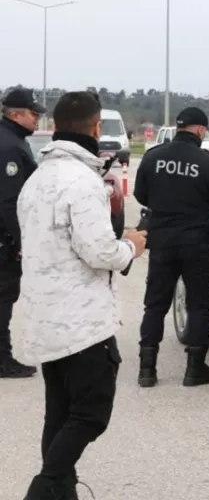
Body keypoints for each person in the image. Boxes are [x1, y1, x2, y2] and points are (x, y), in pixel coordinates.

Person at [18, 91, 147, 499]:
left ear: (54, 127)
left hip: (46, 316)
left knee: (59, 414)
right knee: (91, 412)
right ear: (95, 128)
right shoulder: (82, 182)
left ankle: (62, 489)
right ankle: (47, 487)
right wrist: (132, 245)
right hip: (82, 323)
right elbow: (100, 252)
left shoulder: (37, 180)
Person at [134, 107, 209, 389]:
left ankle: (147, 370)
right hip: (196, 244)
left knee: (155, 305)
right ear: (199, 130)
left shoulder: (152, 157)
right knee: (199, 305)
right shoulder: (207, 163)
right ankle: (195, 370)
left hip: (162, 243)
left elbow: (140, 195)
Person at [0, 87, 45, 379]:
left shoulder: (13, 140)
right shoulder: (10, 147)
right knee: (3, 296)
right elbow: (9, 199)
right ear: (15, 114)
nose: (37, 119)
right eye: (33, 114)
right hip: (4, 238)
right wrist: (19, 240)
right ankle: (3, 360)